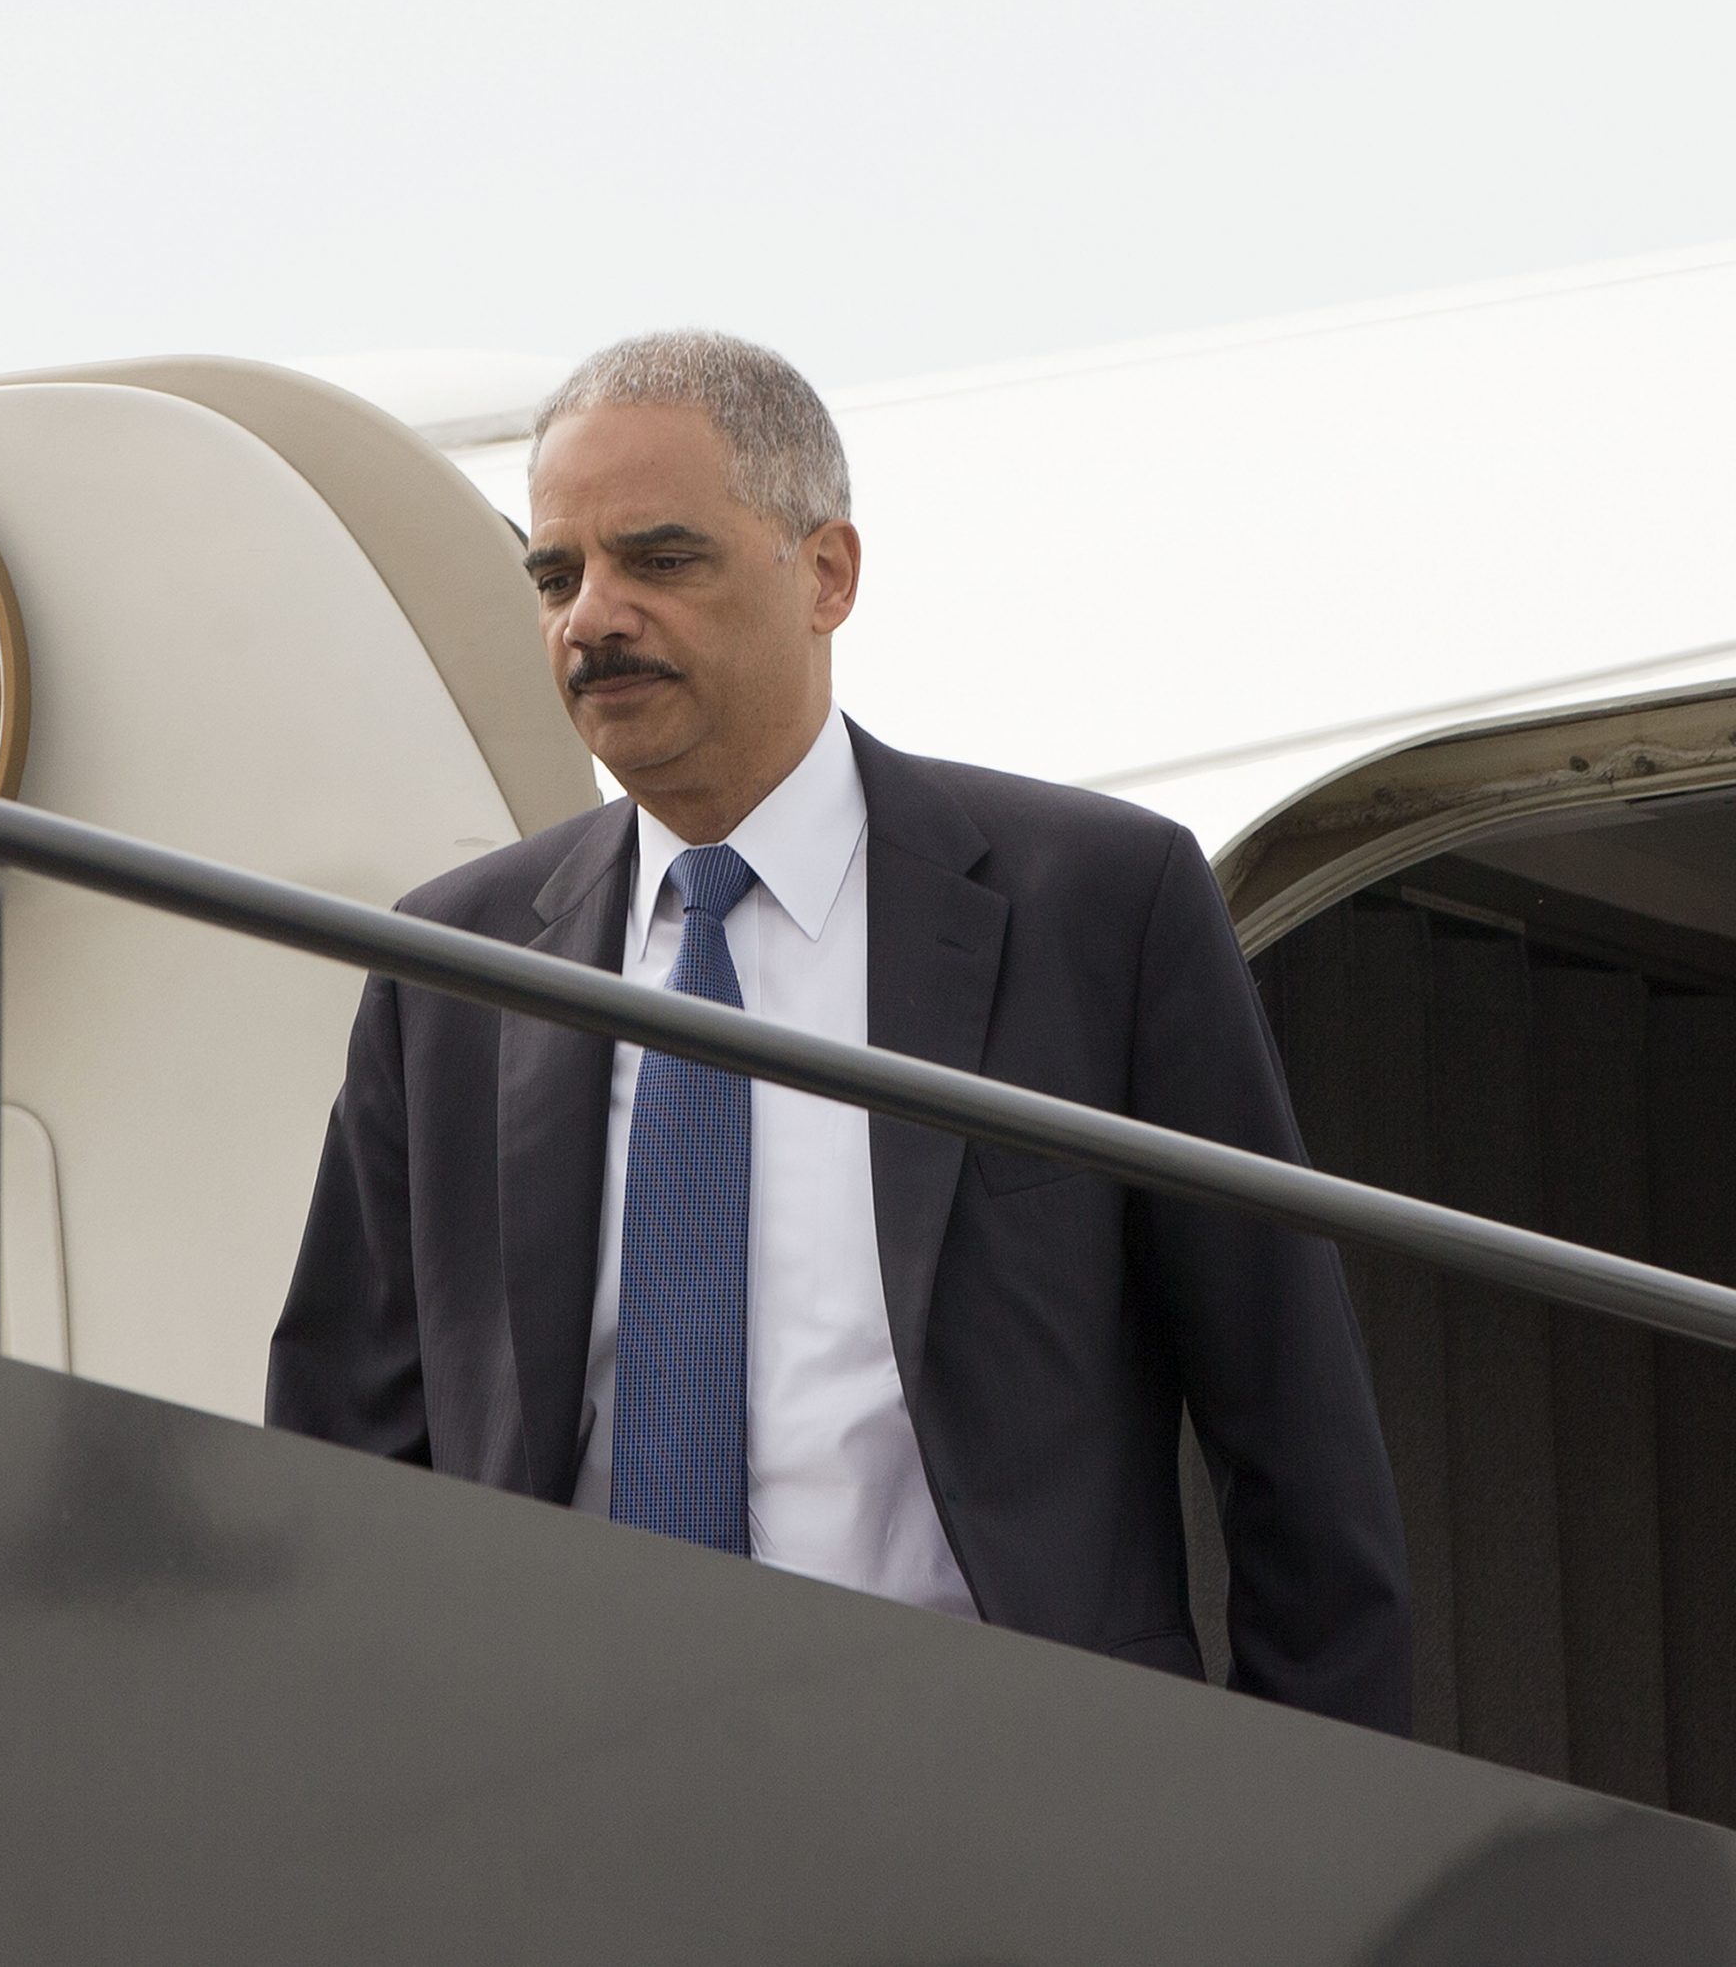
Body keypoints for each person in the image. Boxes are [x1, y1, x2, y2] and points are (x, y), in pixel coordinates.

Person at [267, 329, 1413, 1734]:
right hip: (557, 1804)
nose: (592, 617)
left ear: (827, 574)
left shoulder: (1096, 907)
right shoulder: (450, 967)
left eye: (659, 558)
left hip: (1005, 1796)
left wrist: (1322, 1858)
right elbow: (341, 1456)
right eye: (557, 576)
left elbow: (1288, 1418)